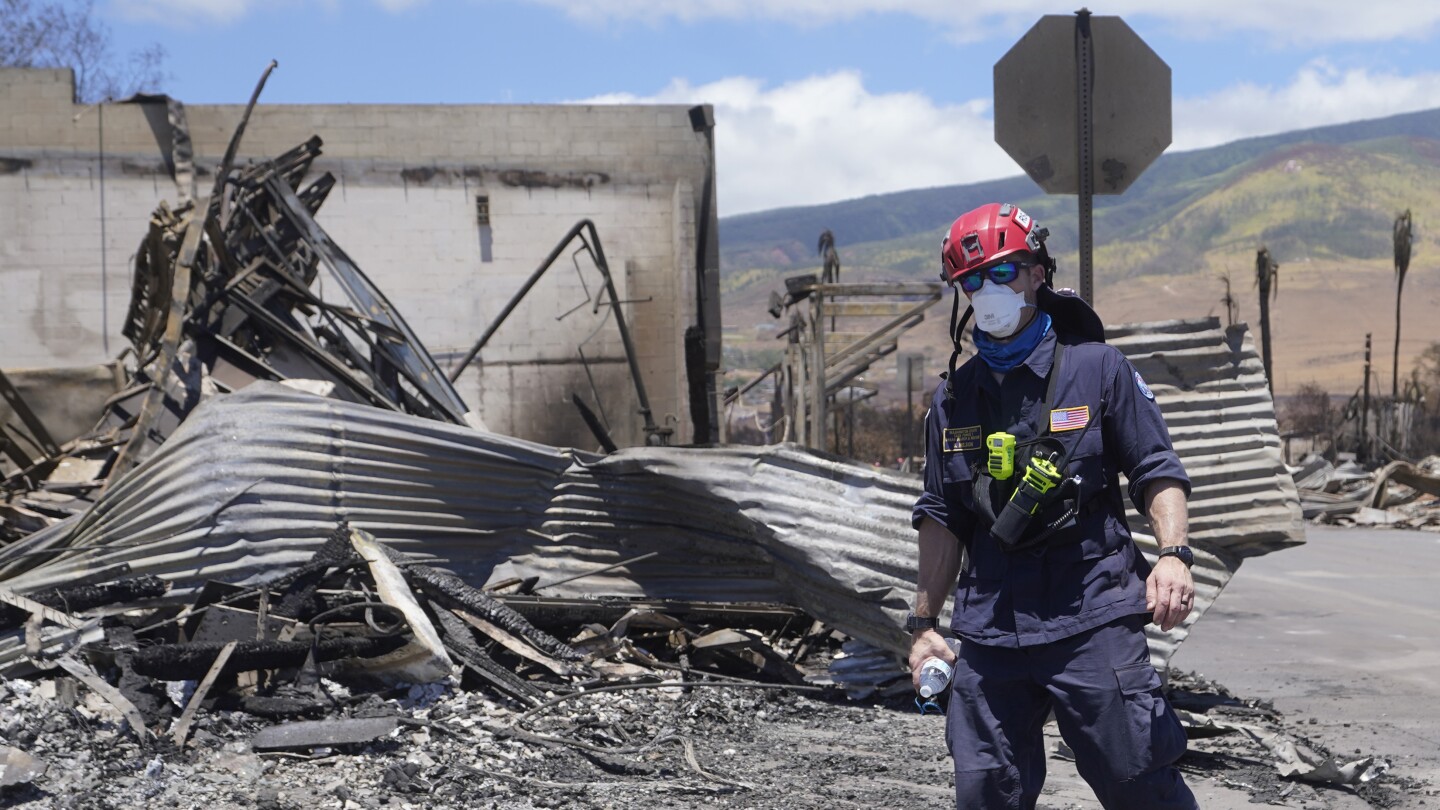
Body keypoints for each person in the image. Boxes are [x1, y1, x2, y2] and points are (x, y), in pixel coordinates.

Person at [907, 202, 1199, 809]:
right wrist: (925, 624)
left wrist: (1173, 556)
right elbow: (942, 513)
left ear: (1037, 273)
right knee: (987, 791)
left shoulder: (1099, 370)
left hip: (1091, 614)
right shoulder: (953, 398)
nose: (990, 292)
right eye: (973, 281)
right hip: (991, 629)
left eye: (1004, 272)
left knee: (1137, 780)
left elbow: (1155, 469)